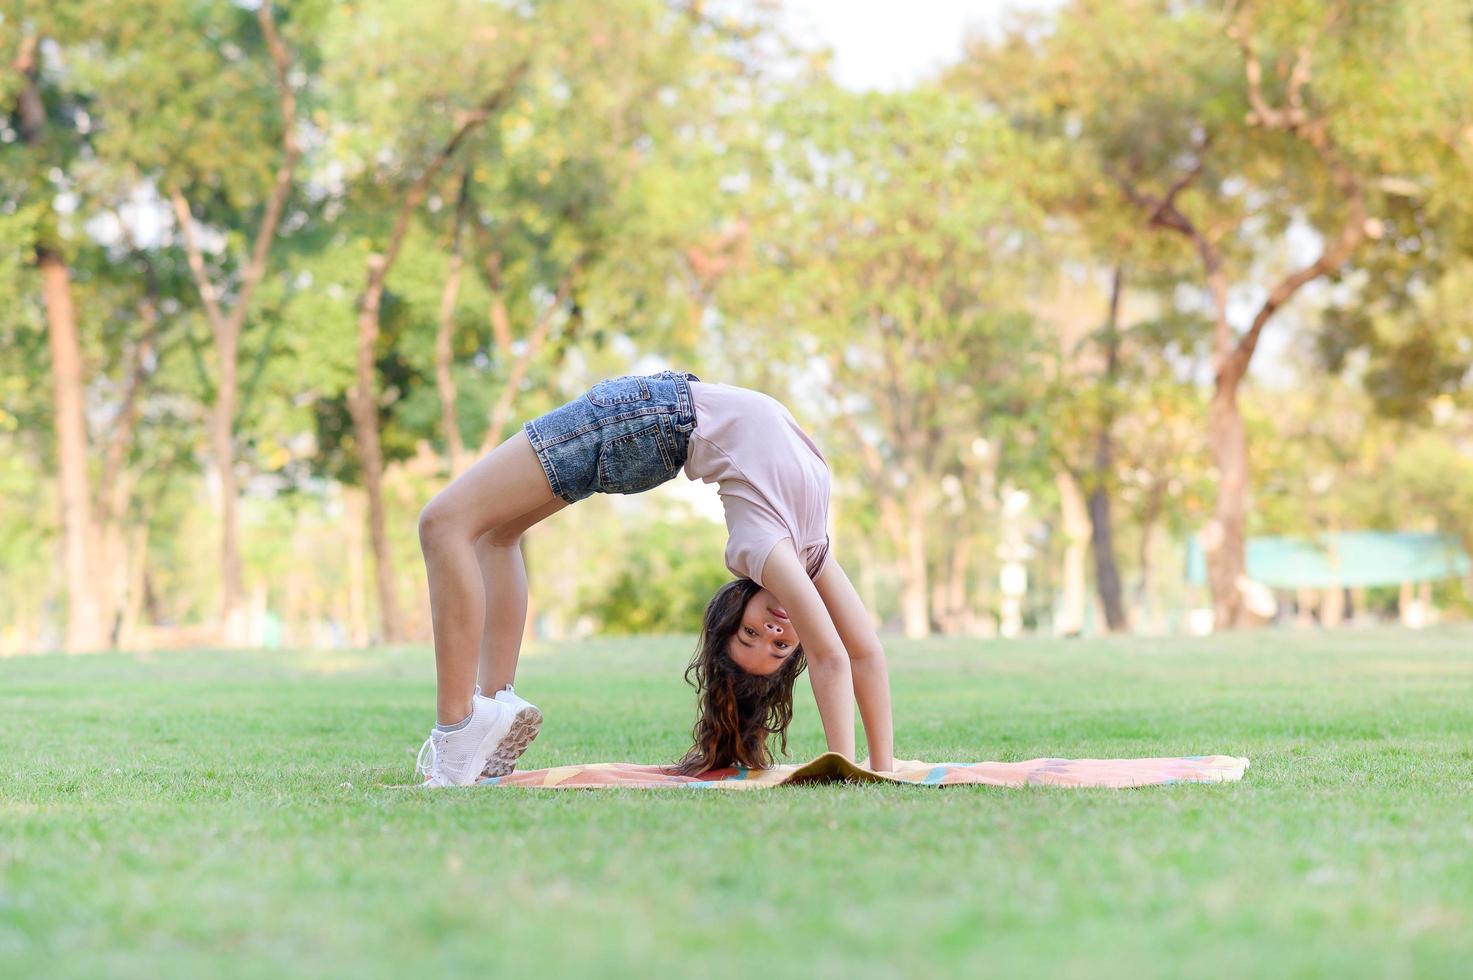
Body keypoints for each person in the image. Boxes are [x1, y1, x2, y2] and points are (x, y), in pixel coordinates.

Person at [413, 369, 894, 786]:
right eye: (772, 642)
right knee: (496, 534)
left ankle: (457, 731)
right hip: (656, 418)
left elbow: (831, 655)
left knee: (443, 523)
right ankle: (496, 703)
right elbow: (860, 652)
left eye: (757, 637)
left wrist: (842, 771)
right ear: (735, 610)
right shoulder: (808, 552)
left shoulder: (761, 549)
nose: (770, 632)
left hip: (647, 418)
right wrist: (877, 765)